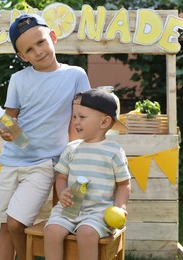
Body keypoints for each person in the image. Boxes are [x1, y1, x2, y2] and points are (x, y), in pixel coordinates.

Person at [0, 13, 91, 260]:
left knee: (16, 224)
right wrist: (4, 129)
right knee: (5, 226)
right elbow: (9, 119)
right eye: (28, 49)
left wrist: (75, 156)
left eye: (41, 42)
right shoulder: (18, 80)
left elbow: (81, 119)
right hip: (11, 160)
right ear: (21, 56)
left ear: (53, 37)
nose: (37, 51)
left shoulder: (76, 75)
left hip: (44, 163)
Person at [44, 89, 132, 260]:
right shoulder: (72, 148)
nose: (76, 122)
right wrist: (62, 192)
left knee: (86, 233)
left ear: (104, 122)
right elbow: (61, 177)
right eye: (75, 117)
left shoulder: (113, 151)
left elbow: (124, 184)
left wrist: (120, 207)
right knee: (52, 231)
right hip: (68, 209)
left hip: (98, 212)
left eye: (82, 117)